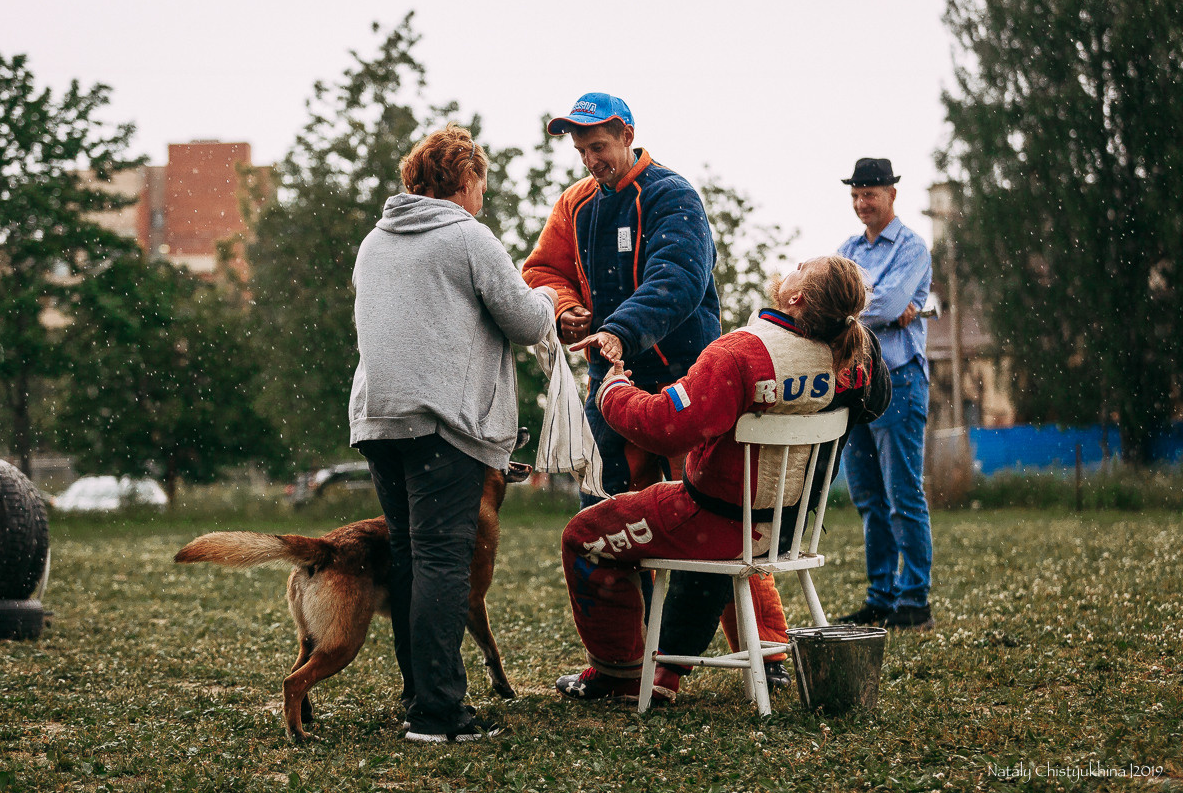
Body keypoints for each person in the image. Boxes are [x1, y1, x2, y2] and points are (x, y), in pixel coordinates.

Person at [521, 92, 789, 691]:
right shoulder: (576, 204)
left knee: (719, 517)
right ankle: (629, 666)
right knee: (623, 522)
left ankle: (767, 653)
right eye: (582, 150)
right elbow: (541, 271)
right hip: (614, 391)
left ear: (628, 135)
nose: (591, 160)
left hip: (690, 387)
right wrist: (566, 309)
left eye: (599, 147)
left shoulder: (673, 195)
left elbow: (680, 278)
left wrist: (618, 328)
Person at [552, 255, 876, 699]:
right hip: (783, 526)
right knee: (723, 528)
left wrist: (613, 392)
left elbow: (665, 427)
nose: (794, 263)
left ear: (796, 298)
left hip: (720, 522)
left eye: (803, 266)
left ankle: (621, 672)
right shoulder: (855, 358)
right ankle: (743, 654)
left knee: (583, 535)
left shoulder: (741, 353)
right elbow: (873, 402)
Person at [349, 123, 558, 743]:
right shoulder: (466, 236)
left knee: (412, 556)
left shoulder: (374, 242)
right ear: (465, 180)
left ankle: (420, 698)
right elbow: (523, 321)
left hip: (379, 421)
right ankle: (440, 715)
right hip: (445, 422)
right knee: (444, 560)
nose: (482, 195)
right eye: (481, 183)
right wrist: (547, 301)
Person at [834, 157, 935, 632]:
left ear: (892, 194)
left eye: (870, 194)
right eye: (855, 194)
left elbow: (887, 303)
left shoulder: (913, 247)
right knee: (869, 499)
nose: (862, 202)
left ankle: (914, 600)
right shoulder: (846, 248)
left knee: (902, 495)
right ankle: (881, 597)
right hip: (856, 385)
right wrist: (877, 308)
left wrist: (852, 307)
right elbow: (834, 302)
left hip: (899, 381)